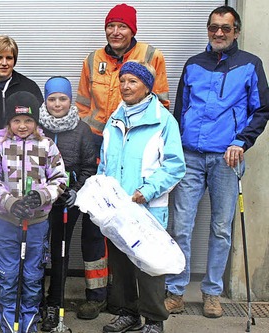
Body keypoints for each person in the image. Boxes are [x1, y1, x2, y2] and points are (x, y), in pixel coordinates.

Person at [165, 5, 269, 319]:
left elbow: (261, 110)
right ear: (208, 30)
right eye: (214, 27)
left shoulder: (250, 64)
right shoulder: (193, 64)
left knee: (221, 229)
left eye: (225, 27)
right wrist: (175, 148)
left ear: (236, 31)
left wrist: (241, 141)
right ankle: (176, 290)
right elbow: (180, 110)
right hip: (191, 157)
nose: (219, 33)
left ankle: (212, 293)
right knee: (181, 227)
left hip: (227, 157)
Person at [74, 3, 170, 319]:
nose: (116, 32)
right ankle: (103, 296)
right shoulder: (92, 59)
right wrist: (94, 137)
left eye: (122, 26)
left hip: (137, 152)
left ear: (133, 30)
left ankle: (147, 309)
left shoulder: (151, 55)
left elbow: (162, 103)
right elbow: (83, 104)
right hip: (100, 151)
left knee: (140, 233)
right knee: (100, 225)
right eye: (111, 25)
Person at [98, 60, 185, 333]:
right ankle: (128, 314)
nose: (125, 86)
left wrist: (146, 191)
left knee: (149, 266)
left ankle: (154, 320)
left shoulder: (163, 121)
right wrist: (102, 192)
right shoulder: (115, 119)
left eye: (132, 81)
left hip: (147, 207)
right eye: (122, 80)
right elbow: (104, 162)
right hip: (118, 208)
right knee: (121, 264)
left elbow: (175, 166)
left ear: (147, 86)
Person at [0, 91, 67, 333]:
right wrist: (9, 201)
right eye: (17, 120)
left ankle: (28, 315)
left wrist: (41, 196)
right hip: (6, 221)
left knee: (32, 274)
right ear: (9, 121)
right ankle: (9, 316)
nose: (22, 126)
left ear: (36, 121)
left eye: (28, 121)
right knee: (8, 274)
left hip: (37, 221)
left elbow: (60, 179)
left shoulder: (47, 145)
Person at [0, 35, 43, 307]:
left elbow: (39, 126)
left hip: (21, 168)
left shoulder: (27, 86)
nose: (4, 63)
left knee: (15, 231)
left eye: (9, 57)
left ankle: (23, 295)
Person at [37, 77, 97, 332]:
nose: (57, 104)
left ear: (70, 100)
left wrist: (76, 191)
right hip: (39, 202)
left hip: (66, 203)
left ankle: (55, 301)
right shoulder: (35, 127)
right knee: (37, 251)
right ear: (45, 100)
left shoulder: (82, 130)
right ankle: (35, 299)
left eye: (63, 98)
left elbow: (87, 166)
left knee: (60, 252)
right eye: (52, 99)